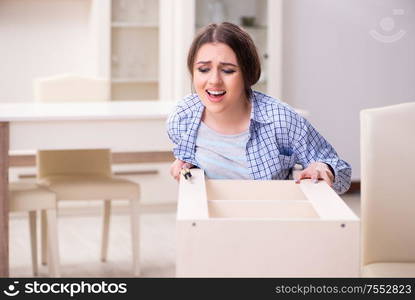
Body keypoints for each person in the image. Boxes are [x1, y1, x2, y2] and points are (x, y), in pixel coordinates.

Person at [166, 22, 351, 194]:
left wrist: (324, 168)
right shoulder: (183, 117)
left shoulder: (280, 119)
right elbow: (189, 157)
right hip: (208, 221)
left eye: (228, 70)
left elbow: (341, 171)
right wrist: (187, 165)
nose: (214, 80)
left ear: (248, 73)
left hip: (269, 220)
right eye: (203, 69)